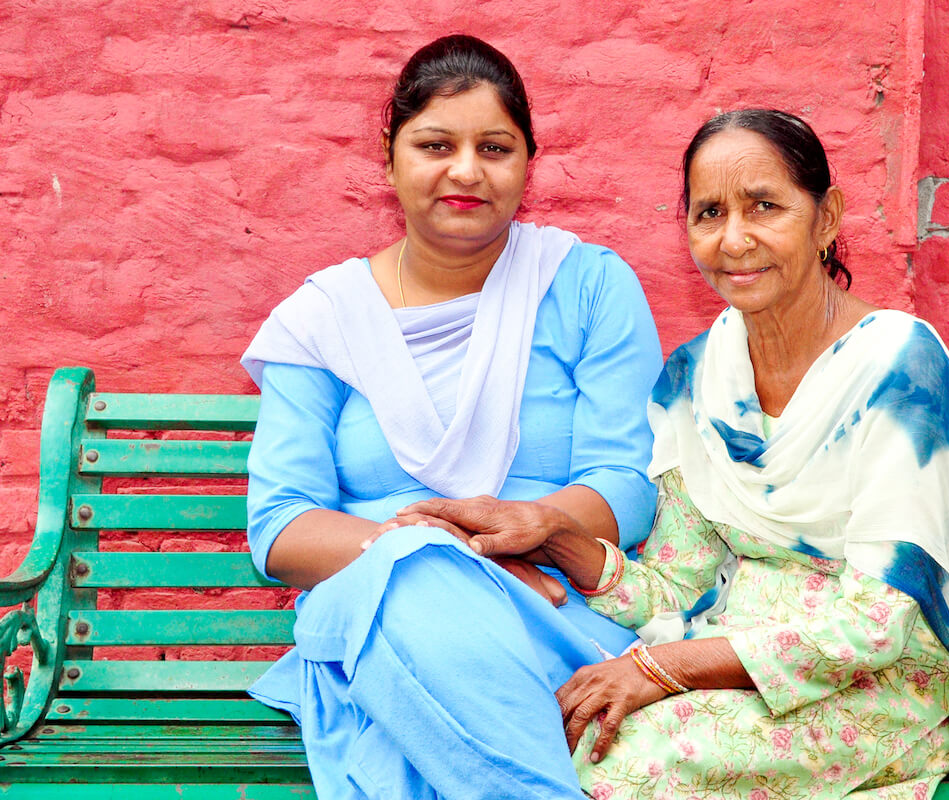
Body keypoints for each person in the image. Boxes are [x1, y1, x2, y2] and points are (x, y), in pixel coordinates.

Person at [401, 109, 949, 798]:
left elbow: (874, 626)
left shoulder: (899, 368)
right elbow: (677, 585)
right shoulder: (696, 379)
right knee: (550, 734)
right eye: (709, 213)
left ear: (826, 219)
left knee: (628, 763)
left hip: (880, 684)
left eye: (765, 206)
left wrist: (659, 669)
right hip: (729, 666)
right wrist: (557, 537)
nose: (735, 239)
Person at [240, 35, 662, 800]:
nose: (466, 170)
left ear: (528, 161)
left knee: (405, 710)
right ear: (390, 154)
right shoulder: (324, 318)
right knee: (408, 577)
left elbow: (626, 485)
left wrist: (529, 525)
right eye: (436, 144)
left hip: (552, 610)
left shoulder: (588, 286)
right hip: (375, 600)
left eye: (494, 147)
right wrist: (426, 549)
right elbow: (281, 527)